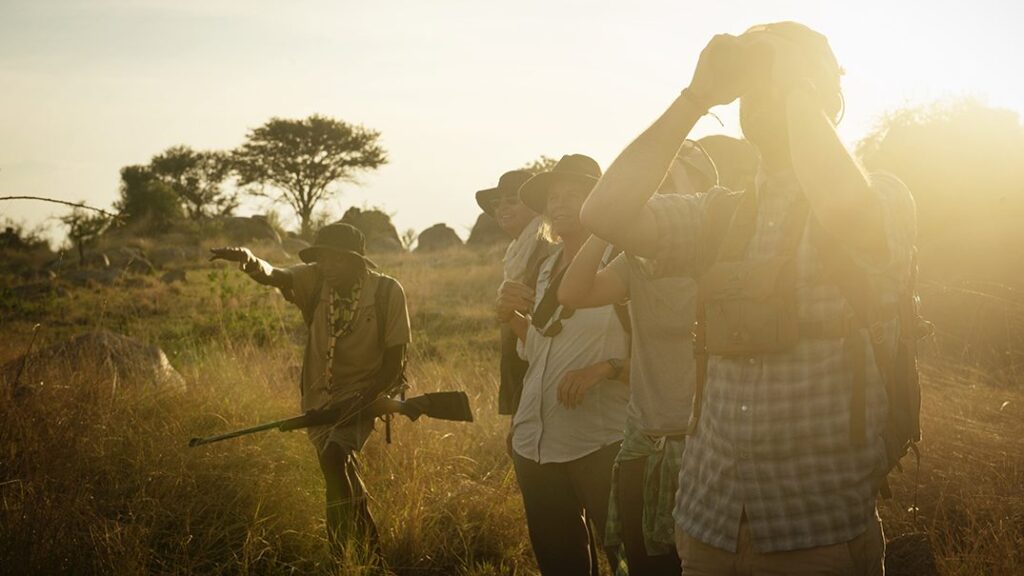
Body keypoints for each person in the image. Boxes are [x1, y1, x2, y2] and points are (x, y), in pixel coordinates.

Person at [580, 22, 915, 575]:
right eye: (755, 86)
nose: (767, 93)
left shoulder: (882, 197)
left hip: (817, 531)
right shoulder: (720, 214)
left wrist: (797, 87)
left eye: (782, 82)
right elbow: (604, 214)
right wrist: (696, 98)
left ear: (826, 98)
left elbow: (841, 206)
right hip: (706, 523)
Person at [557, 141, 732, 575]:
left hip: (701, 448)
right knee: (643, 566)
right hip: (642, 445)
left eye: (671, 180)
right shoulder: (637, 263)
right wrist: (608, 226)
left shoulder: (722, 263)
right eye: (655, 183)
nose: (656, 193)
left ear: (703, 196)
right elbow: (573, 293)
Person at [210, 223, 411, 565]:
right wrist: (250, 261)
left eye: (336, 260)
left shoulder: (387, 292)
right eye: (322, 259)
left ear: (358, 262)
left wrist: (364, 401)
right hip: (318, 398)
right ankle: (373, 554)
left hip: (365, 393)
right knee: (339, 470)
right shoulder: (315, 279)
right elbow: (277, 275)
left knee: (335, 459)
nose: (327, 266)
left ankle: (340, 556)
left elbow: (395, 361)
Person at [497, 154, 630, 576]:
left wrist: (604, 368)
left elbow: (666, 355)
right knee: (560, 563)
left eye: (575, 194)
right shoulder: (544, 268)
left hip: (602, 441)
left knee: (628, 557)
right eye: (554, 196)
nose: (560, 203)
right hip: (535, 443)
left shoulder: (626, 264)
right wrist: (512, 319)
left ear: (600, 201)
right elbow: (540, 351)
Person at [475, 169, 551, 417]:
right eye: (497, 204)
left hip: (543, 368)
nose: (501, 209)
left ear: (534, 205)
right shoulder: (516, 251)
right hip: (522, 367)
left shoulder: (547, 248)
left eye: (511, 201)